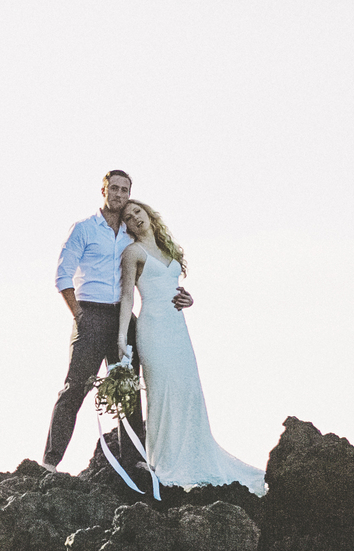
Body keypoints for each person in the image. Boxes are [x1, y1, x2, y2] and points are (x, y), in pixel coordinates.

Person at [116, 198, 266, 493]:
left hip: (178, 329)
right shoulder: (133, 252)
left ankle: (194, 457)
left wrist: (190, 299)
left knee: (188, 390)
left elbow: (174, 289)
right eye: (129, 218)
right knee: (163, 392)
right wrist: (122, 337)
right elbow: (127, 298)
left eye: (138, 212)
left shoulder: (168, 250)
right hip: (153, 330)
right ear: (127, 227)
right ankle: (166, 461)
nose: (135, 218)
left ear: (148, 213)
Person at [45, 169, 189, 468]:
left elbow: (156, 271)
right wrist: (80, 315)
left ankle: (132, 460)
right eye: (114, 189)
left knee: (128, 388)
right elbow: (62, 276)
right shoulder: (84, 229)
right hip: (90, 313)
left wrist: (182, 295)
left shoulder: (131, 233)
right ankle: (49, 461)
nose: (119, 195)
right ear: (103, 191)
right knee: (76, 387)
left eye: (125, 190)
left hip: (124, 317)